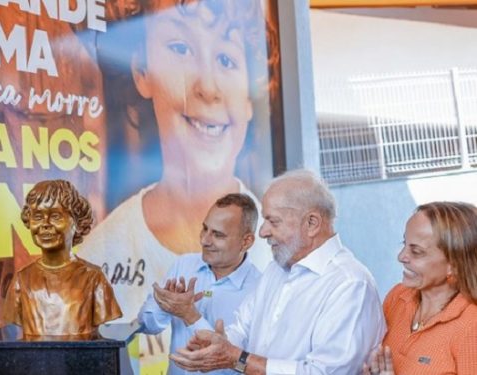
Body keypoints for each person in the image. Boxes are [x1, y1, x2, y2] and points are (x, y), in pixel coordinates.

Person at [79, 0, 273, 326]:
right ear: (142, 70)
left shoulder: (280, 256)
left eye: (226, 59)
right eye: (181, 48)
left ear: (250, 95)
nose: (207, 87)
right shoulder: (97, 257)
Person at [170, 169, 385, 374]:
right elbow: (243, 330)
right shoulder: (276, 269)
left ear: (312, 223)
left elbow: (324, 372)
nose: (262, 232)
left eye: (273, 221)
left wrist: (237, 358)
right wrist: (220, 345)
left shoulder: (350, 285)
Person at [137, 193, 261, 374]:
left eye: (218, 235)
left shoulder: (259, 289)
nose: (204, 240)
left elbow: (245, 366)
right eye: (205, 229)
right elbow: (147, 325)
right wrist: (165, 306)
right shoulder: (184, 265)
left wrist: (189, 314)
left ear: (246, 241)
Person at [363, 202, 477, 375]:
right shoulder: (398, 296)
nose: (401, 256)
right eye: (404, 243)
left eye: (416, 252)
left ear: (454, 265)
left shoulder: (471, 326)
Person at [2, 179, 122, 339]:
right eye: (37, 216)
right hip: (34, 362)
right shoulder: (22, 280)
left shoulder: (94, 278)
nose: (45, 224)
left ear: (77, 223)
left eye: (56, 216)